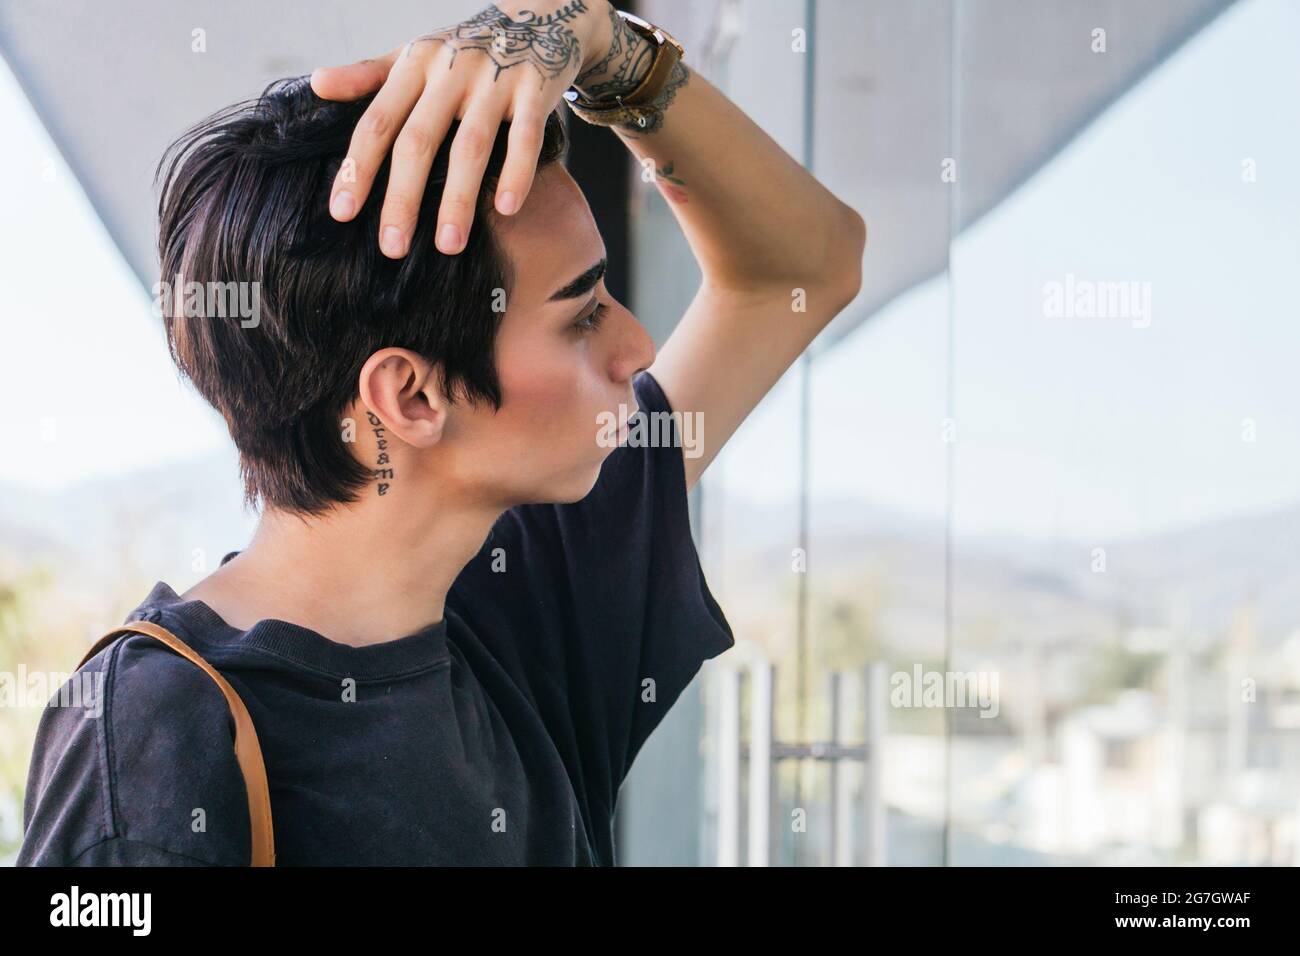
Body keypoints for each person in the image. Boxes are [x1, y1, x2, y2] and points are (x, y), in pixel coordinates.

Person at [18, 0, 865, 866]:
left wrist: (605, 50)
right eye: (581, 316)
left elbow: (803, 270)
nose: (637, 347)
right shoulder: (154, 728)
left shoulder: (522, 591)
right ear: (412, 397)